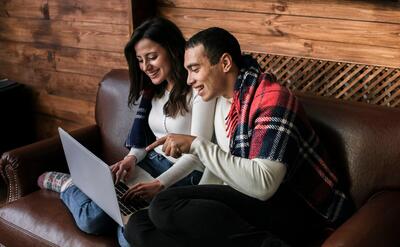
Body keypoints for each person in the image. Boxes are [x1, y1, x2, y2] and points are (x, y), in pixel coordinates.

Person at [124, 27, 353, 247]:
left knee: (164, 204)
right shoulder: (222, 99)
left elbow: (264, 185)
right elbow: (219, 169)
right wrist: (195, 203)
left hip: (294, 208)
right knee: (137, 225)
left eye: (195, 69)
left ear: (224, 63)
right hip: (245, 197)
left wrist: (197, 146)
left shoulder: (272, 99)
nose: (189, 80)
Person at [36, 18, 215, 247]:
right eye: (140, 60)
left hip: (186, 176)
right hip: (151, 163)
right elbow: (145, 142)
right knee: (91, 220)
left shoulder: (198, 90)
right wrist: (131, 158)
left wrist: (159, 184)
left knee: (127, 240)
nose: (145, 66)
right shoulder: (152, 91)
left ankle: (79, 191)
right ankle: (69, 185)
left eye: (152, 57)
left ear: (173, 50)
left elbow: (198, 154)